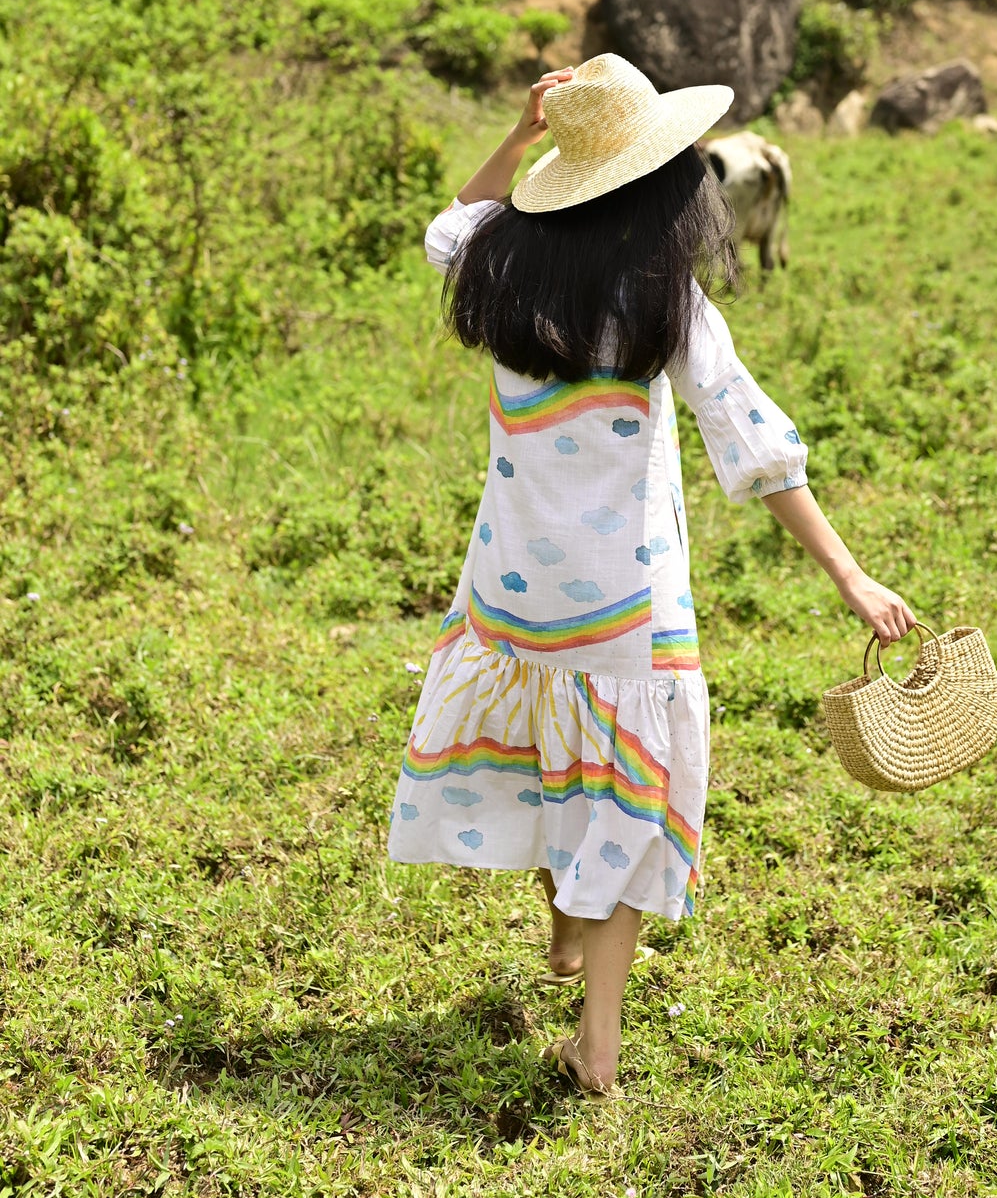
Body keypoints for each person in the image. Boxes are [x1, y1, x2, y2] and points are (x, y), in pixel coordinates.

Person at [389, 53, 915, 1096]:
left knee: (547, 747)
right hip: (622, 605)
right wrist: (849, 575)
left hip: (509, 593)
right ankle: (598, 1045)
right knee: (626, 799)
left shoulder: (499, 264)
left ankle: (560, 929)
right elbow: (754, 446)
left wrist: (522, 131)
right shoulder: (661, 298)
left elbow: (444, 227)